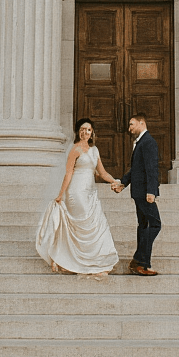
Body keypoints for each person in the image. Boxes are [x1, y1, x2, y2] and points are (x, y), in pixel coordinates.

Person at [36, 119, 119, 278]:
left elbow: (102, 173)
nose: (85, 132)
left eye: (88, 130)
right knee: (82, 226)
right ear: (77, 131)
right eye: (82, 129)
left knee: (96, 225)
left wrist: (114, 181)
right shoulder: (75, 149)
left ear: (92, 132)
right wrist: (61, 194)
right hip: (76, 192)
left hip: (90, 193)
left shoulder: (94, 150)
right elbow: (68, 173)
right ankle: (74, 260)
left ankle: (92, 261)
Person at [111, 113, 161, 276]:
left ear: (141, 123)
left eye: (132, 124)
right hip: (140, 193)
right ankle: (141, 263)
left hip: (144, 192)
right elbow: (136, 169)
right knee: (151, 225)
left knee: (149, 225)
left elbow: (152, 168)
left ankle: (139, 261)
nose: (129, 128)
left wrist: (151, 191)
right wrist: (123, 183)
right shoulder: (142, 142)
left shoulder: (148, 142)